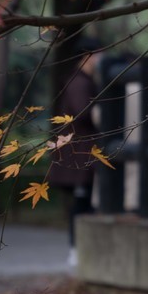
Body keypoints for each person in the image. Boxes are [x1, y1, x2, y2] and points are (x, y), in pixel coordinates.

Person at [48, 38, 102, 266]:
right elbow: (85, 113)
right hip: (80, 155)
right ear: (86, 56)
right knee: (82, 202)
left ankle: (79, 248)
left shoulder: (78, 80)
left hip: (79, 153)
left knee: (84, 202)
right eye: (98, 55)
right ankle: (76, 248)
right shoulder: (80, 83)